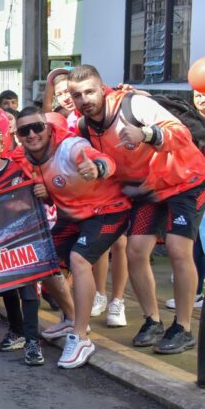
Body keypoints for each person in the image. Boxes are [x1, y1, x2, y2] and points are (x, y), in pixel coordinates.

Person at [68, 64, 205, 354]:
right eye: (77, 95)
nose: (85, 100)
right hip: (147, 190)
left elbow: (180, 134)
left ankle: (183, 327)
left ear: (102, 88)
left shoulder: (133, 104)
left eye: (90, 91)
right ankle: (152, 320)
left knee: (179, 249)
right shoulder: (85, 126)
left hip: (186, 180)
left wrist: (146, 134)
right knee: (135, 251)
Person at [12, 106, 131, 368]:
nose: (32, 134)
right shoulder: (23, 155)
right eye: (24, 130)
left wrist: (98, 167)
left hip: (109, 211)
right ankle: (70, 318)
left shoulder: (69, 146)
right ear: (18, 135)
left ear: (47, 127)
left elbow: (98, 158)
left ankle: (80, 337)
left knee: (78, 259)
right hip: (74, 216)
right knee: (40, 260)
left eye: (37, 127)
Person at [0, 125, 43, 365]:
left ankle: (33, 341)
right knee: (7, 286)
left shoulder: (18, 167)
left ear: (2, 145)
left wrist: (41, 190)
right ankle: (17, 331)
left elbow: (35, 193)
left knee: (28, 288)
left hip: (25, 235)